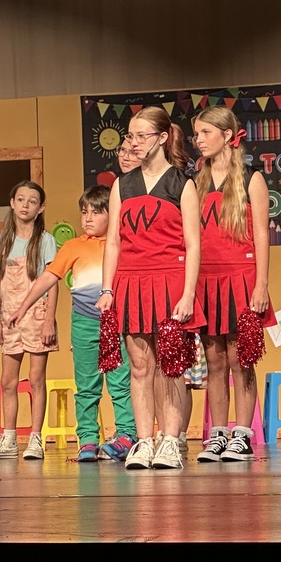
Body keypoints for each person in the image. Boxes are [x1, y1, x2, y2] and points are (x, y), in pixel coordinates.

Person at [96, 106, 205, 471]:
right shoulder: (121, 185)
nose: (134, 142)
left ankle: (171, 441)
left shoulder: (181, 183)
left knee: (170, 366)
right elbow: (113, 242)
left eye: (141, 135)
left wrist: (188, 293)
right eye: (130, 135)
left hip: (170, 281)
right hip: (131, 282)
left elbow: (193, 244)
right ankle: (144, 441)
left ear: (161, 138)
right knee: (140, 366)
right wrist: (108, 289)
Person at [5, 184, 135, 462]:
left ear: (112, 215)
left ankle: (126, 433)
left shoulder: (120, 244)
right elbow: (48, 277)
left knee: (120, 382)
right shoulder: (74, 246)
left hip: (115, 322)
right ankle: (88, 438)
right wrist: (23, 306)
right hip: (84, 323)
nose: (87, 218)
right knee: (86, 384)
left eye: (96, 213)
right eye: (84, 212)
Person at [190, 106, 274, 462]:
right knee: (214, 360)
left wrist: (261, 285)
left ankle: (242, 432)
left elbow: (261, 237)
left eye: (206, 132)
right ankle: (218, 432)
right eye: (196, 134)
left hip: (241, 276)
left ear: (227, 135)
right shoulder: (196, 181)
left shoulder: (250, 179)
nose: (199, 140)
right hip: (206, 279)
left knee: (242, 358)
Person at [0, 181, 58, 460]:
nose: (26, 205)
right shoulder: (2, 241)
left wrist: (50, 319)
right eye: (21, 199)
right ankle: (10, 439)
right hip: (10, 317)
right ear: (12, 203)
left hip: (37, 315)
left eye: (32, 201)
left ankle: (36, 439)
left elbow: (52, 282)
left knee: (37, 378)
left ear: (40, 208)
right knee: (7, 381)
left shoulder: (46, 240)